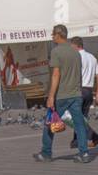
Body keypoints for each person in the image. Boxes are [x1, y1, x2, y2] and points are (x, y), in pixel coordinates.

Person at [34, 24, 91, 164]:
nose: (52, 36)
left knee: (49, 123)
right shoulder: (75, 52)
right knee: (79, 125)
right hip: (76, 94)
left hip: (61, 95)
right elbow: (78, 75)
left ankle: (46, 153)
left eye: (53, 34)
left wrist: (51, 96)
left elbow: (56, 75)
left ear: (59, 35)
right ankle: (84, 154)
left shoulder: (56, 52)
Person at [69, 36, 98, 148]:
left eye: (71, 46)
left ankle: (94, 136)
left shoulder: (76, 57)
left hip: (78, 90)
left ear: (76, 45)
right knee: (82, 116)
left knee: (75, 117)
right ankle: (76, 140)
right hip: (89, 91)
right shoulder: (92, 57)